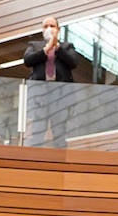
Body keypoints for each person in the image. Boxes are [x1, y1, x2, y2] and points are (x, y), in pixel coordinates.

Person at [24, 16, 80, 148]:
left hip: (60, 95)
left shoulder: (67, 46)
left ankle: (60, 164)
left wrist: (57, 47)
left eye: (52, 26)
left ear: (58, 29)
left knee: (60, 131)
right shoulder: (34, 45)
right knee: (38, 130)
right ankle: (34, 161)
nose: (49, 29)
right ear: (42, 30)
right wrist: (46, 49)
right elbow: (27, 60)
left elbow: (73, 62)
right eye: (45, 26)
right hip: (40, 96)